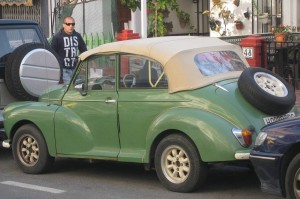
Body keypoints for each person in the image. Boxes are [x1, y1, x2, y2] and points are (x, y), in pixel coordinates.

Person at [51, 16, 87, 85]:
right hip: (64, 70)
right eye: (68, 24)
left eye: (73, 24)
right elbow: (53, 54)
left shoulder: (77, 36)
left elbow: (84, 50)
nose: (71, 26)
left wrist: (86, 63)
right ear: (64, 25)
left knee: (78, 87)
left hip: (75, 68)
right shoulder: (57, 38)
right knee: (68, 89)